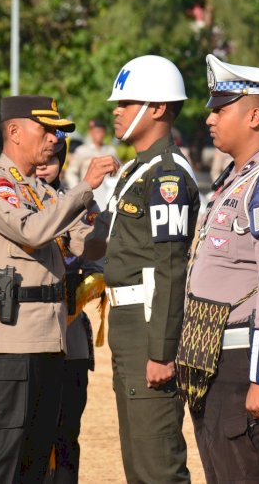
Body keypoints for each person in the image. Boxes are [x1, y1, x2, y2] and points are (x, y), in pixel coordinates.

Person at [0, 95, 118, 483]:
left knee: (36, 459)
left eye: (58, 131)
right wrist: (84, 186)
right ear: (14, 131)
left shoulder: (44, 192)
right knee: (1, 458)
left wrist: (114, 207)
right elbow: (32, 232)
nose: (54, 138)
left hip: (50, 342)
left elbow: (88, 244)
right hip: (11, 342)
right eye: (46, 129)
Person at [177, 54, 259, 483]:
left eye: (220, 108)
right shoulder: (237, 178)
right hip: (215, 355)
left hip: (246, 365)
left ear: (254, 116)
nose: (210, 118)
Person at [102, 54, 200, 483]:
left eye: (126, 102)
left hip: (148, 328)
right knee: (138, 463)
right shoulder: (136, 170)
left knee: (157, 466)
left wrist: (161, 350)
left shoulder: (167, 176)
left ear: (158, 108)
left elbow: (171, 267)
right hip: (128, 325)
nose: (116, 110)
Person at [37, 133, 103, 483]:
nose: (46, 163)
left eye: (54, 157)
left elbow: (100, 256)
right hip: (27, 338)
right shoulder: (14, 202)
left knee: (66, 436)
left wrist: (90, 283)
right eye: (42, 154)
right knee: (28, 437)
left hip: (70, 337)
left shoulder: (80, 204)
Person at [64, 118, 118, 209]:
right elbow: (71, 172)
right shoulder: (82, 151)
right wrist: (78, 190)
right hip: (88, 193)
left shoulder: (110, 151)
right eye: (96, 131)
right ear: (91, 132)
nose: (99, 134)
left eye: (101, 131)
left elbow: (118, 171)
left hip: (107, 193)